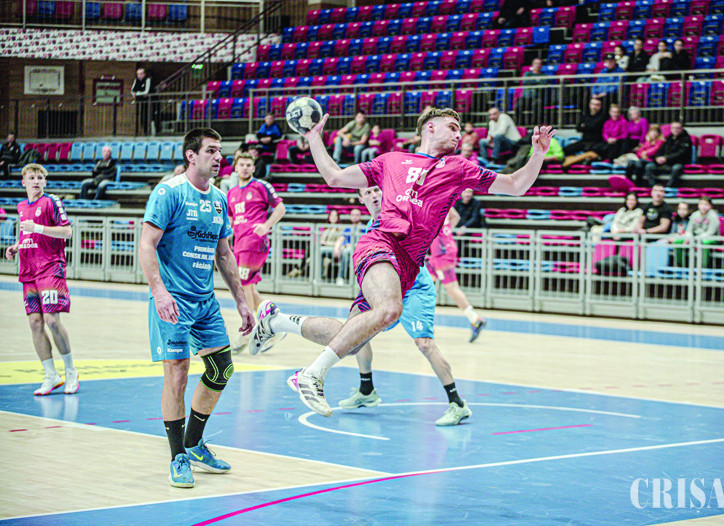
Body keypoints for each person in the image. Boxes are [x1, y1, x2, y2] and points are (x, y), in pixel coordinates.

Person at [258, 107, 553, 418]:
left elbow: (516, 185)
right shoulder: (391, 160)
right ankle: (312, 375)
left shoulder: (458, 167)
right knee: (389, 309)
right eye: (452, 127)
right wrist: (314, 138)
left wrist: (537, 154)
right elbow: (334, 176)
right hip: (381, 242)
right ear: (430, 128)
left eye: (459, 129)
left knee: (352, 340)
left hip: (409, 265)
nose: (458, 134)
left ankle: (276, 322)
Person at [251, 186, 474, 425]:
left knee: (425, 344)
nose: (374, 195)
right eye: (368, 192)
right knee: (352, 334)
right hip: (386, 289)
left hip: (414, 289)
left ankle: (457, 404)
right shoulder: (370, 230)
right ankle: (280, 324)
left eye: (377, 190)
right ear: (360, 198)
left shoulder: (400, 213)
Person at [139, 128, 255, 488]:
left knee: (221, 369)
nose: (219, 157)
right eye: (211, 150)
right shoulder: (169, 192)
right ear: (191, 155)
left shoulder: (219, 199)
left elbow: (225, 254)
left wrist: (241, 301)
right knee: (177, 373)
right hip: (172, 299)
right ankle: (177, 456)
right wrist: (159, 292)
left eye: (220, 151)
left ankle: (193, 443)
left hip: (205, 301)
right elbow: (147, 244)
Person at [5, 163, 79, 396]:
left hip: (50, 267)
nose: (36, 181)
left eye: (40, 177)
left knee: (52, 320)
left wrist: (37, 227)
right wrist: (17, 246)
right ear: (23, 182)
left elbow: (67, 231)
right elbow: (28, 234)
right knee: (35, 323)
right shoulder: (21, 206)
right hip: (28, 270)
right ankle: (51, 375)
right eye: (32, 177)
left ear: (45, 182)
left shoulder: (51, 202)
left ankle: (70, 371)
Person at [226, 151, 286, 353]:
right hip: (239, 244)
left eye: (248, 165)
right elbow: (231, 220)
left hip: (254, 242)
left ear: (253, 168)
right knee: (249, 289)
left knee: (243, 287)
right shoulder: (231, 193)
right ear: (235, 168)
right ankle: (276, 326)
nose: (244, 168)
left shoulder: (261, 186)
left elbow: (280, 208)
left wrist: (267, 225)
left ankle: (248, 331)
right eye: (241, 164)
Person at [427, 212, 487, 343]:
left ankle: (475, 319)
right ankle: (427, 323)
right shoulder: (445, 200)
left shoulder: (430, 202)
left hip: (442, 252)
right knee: (426, 285)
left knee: (451, 288)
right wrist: (445, 231)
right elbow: (456, 216)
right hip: (444, 248)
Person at [644, 121, 692, 187]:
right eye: (673, 128)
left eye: (677, 128)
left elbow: (681, 153)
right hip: (664, 164)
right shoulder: (668, 139)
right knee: (649, 166)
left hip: (677, 163)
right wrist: (657, 158)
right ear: (671, 129)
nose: (675, 130)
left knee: (677, 168)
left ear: (681, 129)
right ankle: (654, 187)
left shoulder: (686, 139)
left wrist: (666, 158)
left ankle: (669, 187)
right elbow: (660, 150)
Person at [562, 97, 606, 166]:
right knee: (566, 149)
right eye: (593, 104)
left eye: (597, 105)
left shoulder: (603, 117)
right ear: (590, 105)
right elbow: (578, 128)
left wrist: (585, 126)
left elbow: (593, 126)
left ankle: (573, 161)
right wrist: (587, 126)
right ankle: (574, 160)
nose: (594, 107)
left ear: (600, 106)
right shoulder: (586, 116)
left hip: (595, 142)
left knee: (592, 150)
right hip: (584, 140)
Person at [334, 208, 366, 285]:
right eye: (353, 215)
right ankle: (318, 278)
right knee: (321, 250)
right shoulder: (348, 228)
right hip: (346, 249)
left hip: (358, 250)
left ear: (360, 216)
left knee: (346, 252)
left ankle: (341, 277)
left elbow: (363, 242)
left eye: (357, 215)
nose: (355, 217)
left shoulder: (364, 228)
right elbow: (340, 239)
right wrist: (336, 249)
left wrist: (346, 246)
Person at [319, 209, 344, 281]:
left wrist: (327, 243)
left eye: (335, 215)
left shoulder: (340, 229)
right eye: (331, 215)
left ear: (338, 217)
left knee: (318, 251)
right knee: (313, 249)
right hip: (325, 249)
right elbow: (321, 240)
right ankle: (318, 276)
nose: (333, 217)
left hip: (334, 250)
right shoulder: (326, 228)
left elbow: (339, 242)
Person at [131, 67, 153, 136]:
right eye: (138, 74)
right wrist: (134, 93)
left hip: (147, 101)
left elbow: (146, 91)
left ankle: (147, 132)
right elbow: (132, 91)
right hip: (139, 101)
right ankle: (139, 131)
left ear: (144, 74)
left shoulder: (147, 80)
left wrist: (137, 94)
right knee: (140, 116)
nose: (139, 76)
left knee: (146, 116)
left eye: (141, 74)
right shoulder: (136, 80)